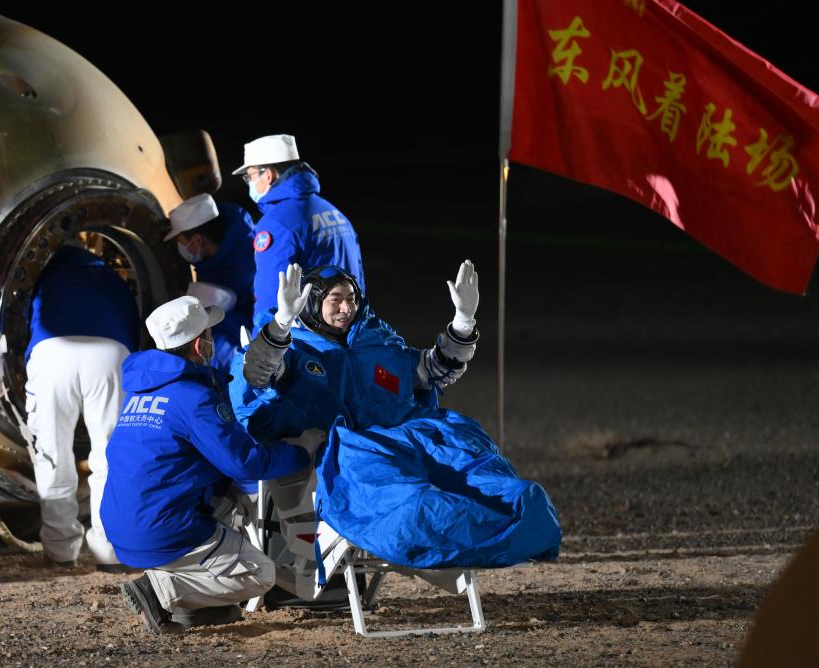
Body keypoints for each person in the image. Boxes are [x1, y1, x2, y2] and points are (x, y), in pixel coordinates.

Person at [230, 262, 562, 570]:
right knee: (413, 504)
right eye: (335, 299)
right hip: (353, 447)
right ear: (313, 302)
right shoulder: (295, 350)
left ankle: (519, 520)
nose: (346, 307)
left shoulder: (375, 338)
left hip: (412, 434)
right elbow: (259, 372)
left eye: (351, 298)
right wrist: (281, 324)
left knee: (487, 478)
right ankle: (453, 528)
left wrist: (463, 321)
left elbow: (430, 371)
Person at [100, 296, 319, 635]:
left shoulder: (141, 393)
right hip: (162, 531)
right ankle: (161, 592)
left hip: (123, 527)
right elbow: (245, 463)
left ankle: (194, 608)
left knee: (228, 500)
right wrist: (302, 452)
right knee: (259, 573)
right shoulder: (192, 397)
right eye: (210, 333)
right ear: (200, 345)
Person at [24, 245, 140, 570]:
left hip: (51, 352)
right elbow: (134, 324)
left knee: (52, 452)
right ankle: (109, 551)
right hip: (110, 351)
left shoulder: (49, 275)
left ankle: (60, 552)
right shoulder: (112, 278)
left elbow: (25, 321)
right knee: (108, 455)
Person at [232, 134, 366, 317]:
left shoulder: (277, 223)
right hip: (345, 327)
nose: (250, 183)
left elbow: (272, 297)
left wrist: (263, 341)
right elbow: (358, 282)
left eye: (250, 176)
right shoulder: (334, 213)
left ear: (268, 175)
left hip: (306, 338)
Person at [164, 193, 255, 373]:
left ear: (198, 240)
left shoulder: (251, 264)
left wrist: (213, 320)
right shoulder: (212, 258)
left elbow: (258, 317)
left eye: (181, 240)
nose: (179, 246)